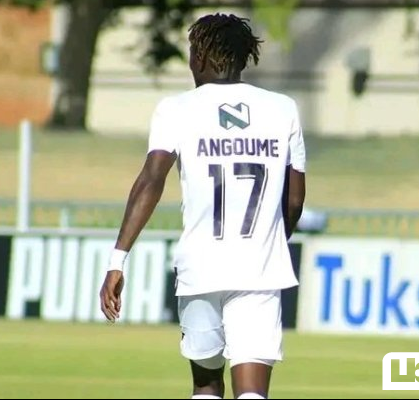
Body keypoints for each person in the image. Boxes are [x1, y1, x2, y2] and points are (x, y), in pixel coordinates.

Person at [99, 13, 306, 400]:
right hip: (260, 272)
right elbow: (294, 201)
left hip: (200, 270)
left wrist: (117, 260)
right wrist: (269, 240)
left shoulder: (176, 109)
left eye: (193, 52)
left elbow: (151, 181)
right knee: (252, 392)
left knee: (206, 384)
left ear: (201, 57)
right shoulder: (283, 109)